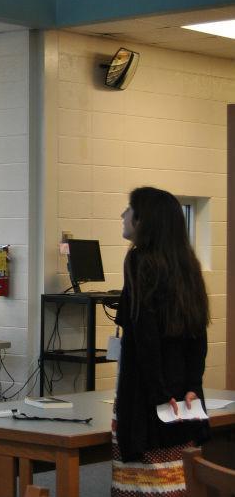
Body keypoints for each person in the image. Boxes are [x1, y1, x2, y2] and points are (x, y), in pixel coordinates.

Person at [112, 186, 210, 496]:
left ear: (145, 221)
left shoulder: (138, 262)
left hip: (148, 397)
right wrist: (192, 384)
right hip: (184, 397)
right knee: (177, 480)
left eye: (130, 209)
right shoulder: (188, 266)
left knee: (141, 484)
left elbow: (145, 336)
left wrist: (157, 391)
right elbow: (198, 335)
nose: (124, 215)